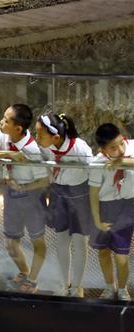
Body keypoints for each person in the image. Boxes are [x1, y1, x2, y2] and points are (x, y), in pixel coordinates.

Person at [0, 104, 50, 293]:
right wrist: (10, 154)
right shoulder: (4, 134)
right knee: (11, 244)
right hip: (11, 194)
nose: (1, 122)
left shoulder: (33, 151)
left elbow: (44, 180)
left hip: (31, 197)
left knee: (38, 241)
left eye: (5, 120)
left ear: (18, 128)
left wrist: (24, 187)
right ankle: (25, 273)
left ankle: (33, 280)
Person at [34, 112, 93, 297]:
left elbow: (93, 173)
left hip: (80, 194)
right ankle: (63, 283)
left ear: (56, 137)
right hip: (58, 192)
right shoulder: (46, 147)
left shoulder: (80, 148)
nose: (37, 139)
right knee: (61, 239)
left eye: (40, 135)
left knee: (79, 241)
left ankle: (77, 286)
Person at [88, 122, 133, 301]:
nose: (120, 149)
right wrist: (97, 220)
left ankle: (122, 289)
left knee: (122, 256)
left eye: (121, 143)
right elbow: (93, 194)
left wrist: (122, 161)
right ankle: (109, 286)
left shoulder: (131, 147)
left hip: (127, 206)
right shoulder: (98, 163)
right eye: (113, 148)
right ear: (103, 149)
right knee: (104, 251)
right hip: (105, 208)